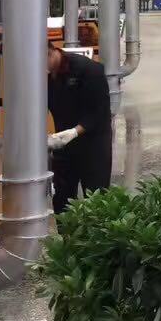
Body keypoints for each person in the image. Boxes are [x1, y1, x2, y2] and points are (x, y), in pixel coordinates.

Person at [47, 42, 113, 213]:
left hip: (93, 143)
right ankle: (66, 231)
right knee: (62, 200)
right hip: (63, 144)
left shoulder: (88, 70)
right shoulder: (46, 78)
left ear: (51, 52)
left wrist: (75, 132)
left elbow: (100, 112)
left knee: (96, 199)